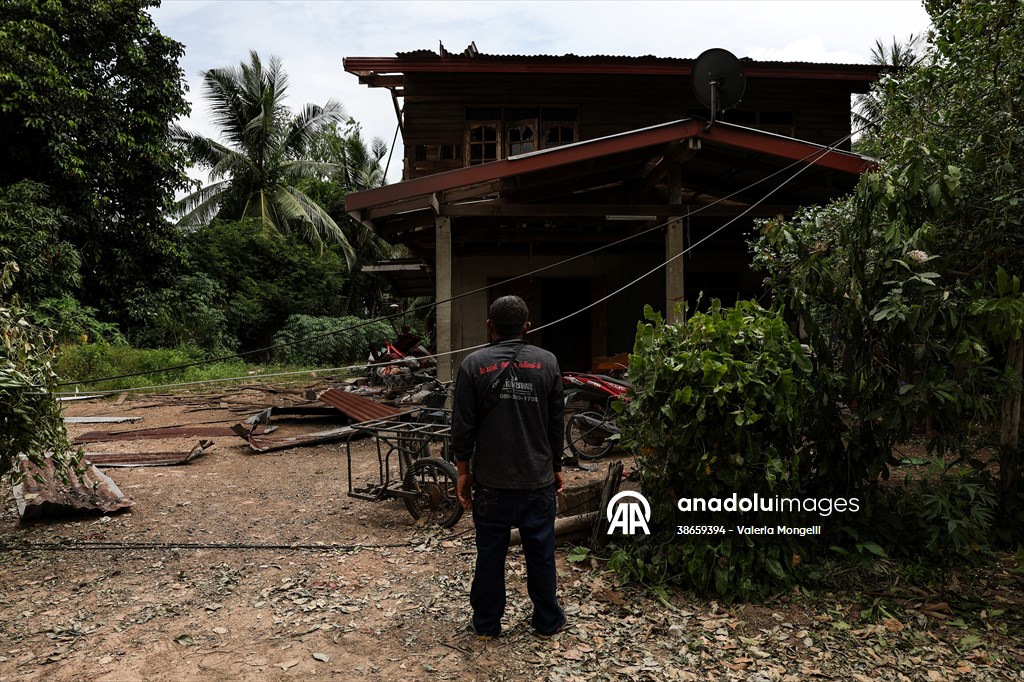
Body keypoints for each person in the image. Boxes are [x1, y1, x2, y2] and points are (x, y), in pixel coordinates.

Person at [451, 295, 567, 639]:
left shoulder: (473, 365)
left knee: (490, 556)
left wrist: (462, 472)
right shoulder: (547, 362)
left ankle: (486, 624)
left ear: (490, 327)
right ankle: (546, 621)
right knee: (541, 554)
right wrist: (557, 466)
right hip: (538, 480)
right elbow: (556, 422)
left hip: (490, 484)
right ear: (526, 327)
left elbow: (462, 426)